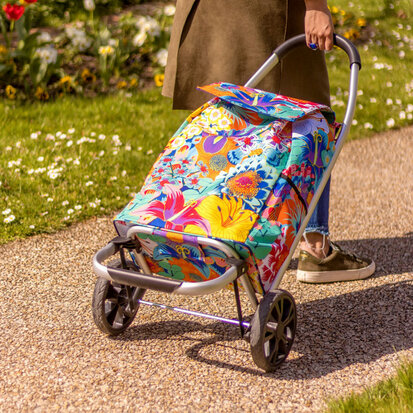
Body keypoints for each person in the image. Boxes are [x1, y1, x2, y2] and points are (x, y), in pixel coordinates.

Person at [162, 0, 375, 283]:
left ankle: (212, 240)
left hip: (208, 9)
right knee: (308, 114)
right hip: (265, 11)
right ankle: (315, 247)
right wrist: (316, 7)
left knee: (225, 112)